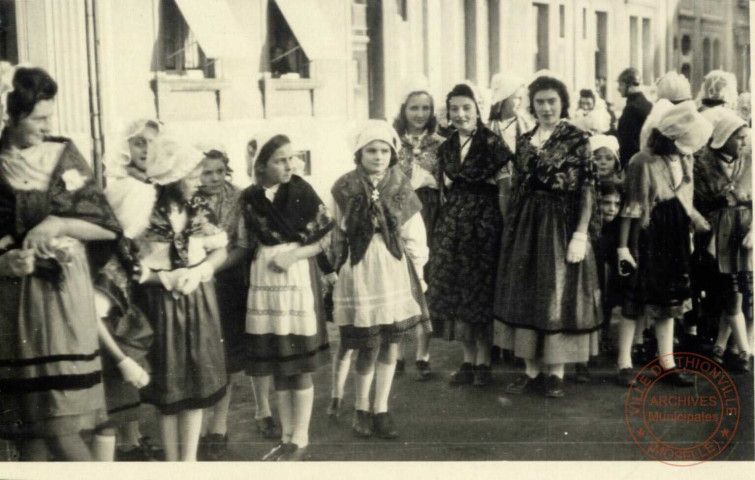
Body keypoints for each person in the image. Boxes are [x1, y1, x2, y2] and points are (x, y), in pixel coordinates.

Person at [0, 67, 121, 460]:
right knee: (32, 430)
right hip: (13, 304)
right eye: (37, 119)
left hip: (60, 304)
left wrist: (59, 221)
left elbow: (107, 229)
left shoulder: (62, 155)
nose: (45, 126)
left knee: (60, 423)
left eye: (48, 117)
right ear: (10, 117)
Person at [495, 75, 602, 398]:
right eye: (540, 102)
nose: (546, 108)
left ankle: (556, 372)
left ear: (562, 103)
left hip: (562, 222)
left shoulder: (577, 138)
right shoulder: (525, 141)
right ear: (532, 105)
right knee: (527, 290)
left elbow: (587, 188)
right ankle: (531, 371)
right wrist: (512, 230)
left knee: (558, 292)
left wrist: (580, 234)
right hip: (528, 224)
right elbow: (517, 189)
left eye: (552, 101)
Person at [235, 134, 334, 461]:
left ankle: (301, 436)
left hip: (296, 278)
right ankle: (287, 433)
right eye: (280, 160)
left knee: (300, 364)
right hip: (265, 280)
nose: (290, 165)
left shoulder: (302, 191)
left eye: (293, 157)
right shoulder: (249, 198)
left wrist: (293, 256)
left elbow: (324, 238)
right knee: (278, 361)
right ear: (261, 165)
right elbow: (244, 241)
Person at [331, 120, 429, 440]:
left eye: (384, 150)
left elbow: (414, 234)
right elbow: (335, 232)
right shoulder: (344, 187)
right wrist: (334, 269)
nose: (377, 156)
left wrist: (419, 270)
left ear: (393, 153)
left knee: (390, 341)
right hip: (359, 268)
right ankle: (361, 407)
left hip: (392, 266)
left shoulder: (400, 185)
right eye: (371, 151)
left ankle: (381, 408)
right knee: (367, 343)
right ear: (359, 154)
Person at [133, 136, 229, 461]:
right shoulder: (144, 215)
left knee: (197, 385)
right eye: (191, 176)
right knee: (169, 387)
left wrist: (200, 272)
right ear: (171, 179)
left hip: (198, 302)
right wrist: (162, 277)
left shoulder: (198, 209)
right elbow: (128, 265)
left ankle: (188, 461)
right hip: (161, 305)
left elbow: (220, 249)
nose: (197, 182)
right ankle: (172, 462)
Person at [614, 100, 713, 387]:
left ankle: (666, 363)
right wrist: (624, 248)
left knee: (668, 302)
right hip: (647, 235)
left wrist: (693, 225)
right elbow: (631, 209)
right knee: (634, 298)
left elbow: (684, 199)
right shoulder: (642, 161)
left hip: (675, 235)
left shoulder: (684, 159)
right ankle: (624, 362)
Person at [427, 83, 511, 388]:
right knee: (460, 291)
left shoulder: (492, 143)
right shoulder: (447, 146)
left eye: (467, 108)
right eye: (455, 109)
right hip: (454, 225)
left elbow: (504, 188)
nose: (460, 114)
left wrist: (504, 226)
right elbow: (443, 188)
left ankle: (484, 363)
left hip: (484, 222)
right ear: (447, 113)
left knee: (481, 291)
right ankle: (467, 360)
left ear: (478, 110)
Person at [96, 118, 163, 461]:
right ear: (126, 147)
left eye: (152, 143)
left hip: (138, 276)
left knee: (138, 346)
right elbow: (118, 234)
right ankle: (124, 444)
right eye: (139, 143)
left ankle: (132, 437)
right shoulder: (121, 187)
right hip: (114, 272)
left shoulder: (155, 187)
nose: (146, 150)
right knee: (121, 350)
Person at [390, 76, 445, 381]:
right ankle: (396, 353)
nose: (420, 114)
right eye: (414, 108)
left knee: (425, 281)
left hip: (431, 212)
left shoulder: (440, 142)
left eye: (425, 108)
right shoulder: (391, 139)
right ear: (404, 109)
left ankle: (423, 354)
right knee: (397, 280)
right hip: (397, 212)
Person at [194, 148, 246, 460]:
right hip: (193, 282)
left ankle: (219, 427)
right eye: (206, 172)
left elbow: (243, 245)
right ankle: (198, 429)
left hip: (227, 282)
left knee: (224, 358)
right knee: (200, 357)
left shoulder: (238, 198)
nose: (213, 178)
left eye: (218, 171)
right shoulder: (188, 197)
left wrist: (212, 269)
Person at [694, 107, 752, 373]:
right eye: (738, 137)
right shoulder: (703, 162)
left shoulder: (747, 161)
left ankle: (731, 348)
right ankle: (741, 350)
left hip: (744, 232)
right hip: (717, 234)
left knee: (738, 289)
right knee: (728, 291)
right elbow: (700, 199)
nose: (743, 142)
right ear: (724, 136)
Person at [488, 73, 535, 153]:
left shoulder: (528, 126)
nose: (521, 103)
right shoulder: (489, 128)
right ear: (503, 100)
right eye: (517, 98)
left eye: (522, 98)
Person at [616, 68, 652, 168]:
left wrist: (624, 167)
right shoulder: (647, 104)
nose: (618, 88)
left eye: (621, 84)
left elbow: (627, 143)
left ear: (629, 85)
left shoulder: (631, 108)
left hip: (634, 164)